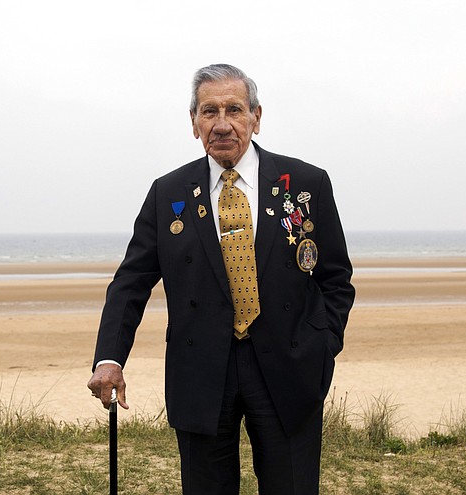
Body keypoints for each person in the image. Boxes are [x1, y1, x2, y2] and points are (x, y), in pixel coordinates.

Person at [88, 63, 355, 494]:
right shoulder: (167, 193)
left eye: (234, 109)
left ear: (256, 117)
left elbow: (336, 277)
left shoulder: (305, 184)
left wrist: (323, 343)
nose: (223, 124)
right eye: (209, 111)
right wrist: (109, 358)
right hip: (201, 371)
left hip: (288, 367)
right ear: (194, 123)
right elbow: (131, 282)